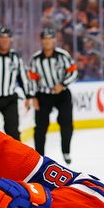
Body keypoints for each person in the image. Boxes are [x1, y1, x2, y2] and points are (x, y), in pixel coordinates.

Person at [26, 28, 78, 164]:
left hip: (62, 93)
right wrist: (33, 97)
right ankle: (39, 158)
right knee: (41, 127)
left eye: (50, 38)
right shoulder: (36, 59)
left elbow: (73, 72)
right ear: (42, 41)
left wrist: (63, 84)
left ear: (54, 40)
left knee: (66, 122)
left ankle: (66, 151)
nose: (48, 41)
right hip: (43, 95)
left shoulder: (63, 55)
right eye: (45, 39)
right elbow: (31, 79)